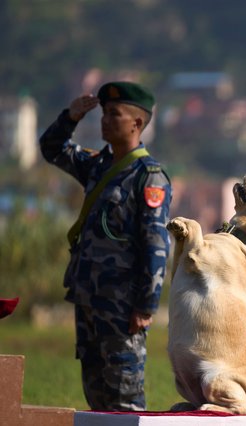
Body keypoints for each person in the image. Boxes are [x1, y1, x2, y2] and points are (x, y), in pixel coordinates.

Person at [39, 81, 172, 411]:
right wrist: (70, 117)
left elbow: (156, 243)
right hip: (89, 298)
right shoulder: (98, 166)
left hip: (122, 305)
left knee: (124, 399)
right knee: (96, 397)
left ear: (136, 123)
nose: (104, 120)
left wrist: (146, 305)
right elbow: (51, 148)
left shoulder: (148, 177)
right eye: (103, 113)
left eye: (115, 114)